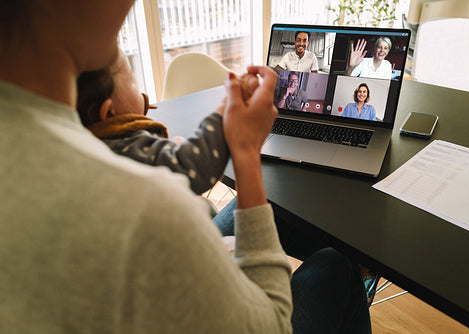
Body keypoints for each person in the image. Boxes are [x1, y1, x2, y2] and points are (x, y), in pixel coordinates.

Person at [0, 1, 371, 333]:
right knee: (338, 264)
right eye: (128, 74)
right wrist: (244, 152)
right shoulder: (143, 201)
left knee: (274, 212)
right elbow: (269, 324)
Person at [77, 49, 229, 195]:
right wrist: (223, 112)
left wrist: (170, 151)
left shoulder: (88, 144)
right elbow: (197, 167)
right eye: (133, 82)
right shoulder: (127, 146)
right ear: (109, 111)